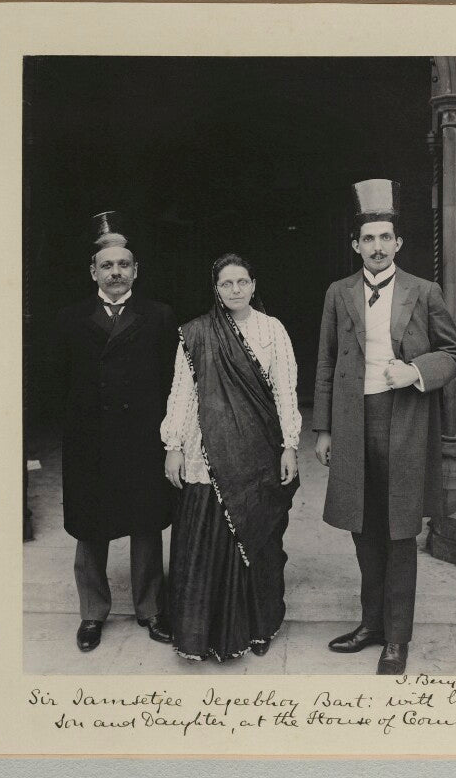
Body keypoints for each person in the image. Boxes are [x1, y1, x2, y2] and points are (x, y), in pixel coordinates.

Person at [313, 179, 456, 674]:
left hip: (404, 421)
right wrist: (324, 429)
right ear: (355, 245)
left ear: (398, 243)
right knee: (363, 527)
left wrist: (415, 370)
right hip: (353, 422)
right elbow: (326, 361)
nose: (377, 246)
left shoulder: (424, 291)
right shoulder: (338, 293)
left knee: (399, 531)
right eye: (368, 239)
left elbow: (454, 354)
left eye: (385, 237)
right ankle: (371, 625)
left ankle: (396, 638)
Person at [161, 253, 301, 662]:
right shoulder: (197, 333)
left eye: (242, 282)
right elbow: (183, 391)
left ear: (254, 286)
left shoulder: (272, 330)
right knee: (205, 540)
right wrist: (174, 446)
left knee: (259, 539)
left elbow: (285, 390)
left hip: (259, 451)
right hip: (207, 450)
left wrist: (289, 444)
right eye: (227, 284)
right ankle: (203, 632)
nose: (235, 290)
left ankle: (259, 626)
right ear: (216, 289)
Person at [55, 211, 178, 652]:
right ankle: (92, 612)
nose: (115, 272)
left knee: (146, 523)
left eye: (123, 264)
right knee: (90, 526)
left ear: (136, 270)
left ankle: (151, 609)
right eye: (106, 265)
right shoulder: (70, 319)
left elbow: (173, 381)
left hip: (142, 437)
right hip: (90, 440)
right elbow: (56, 382)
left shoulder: (159, 316)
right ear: (93, 271)